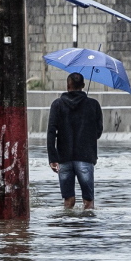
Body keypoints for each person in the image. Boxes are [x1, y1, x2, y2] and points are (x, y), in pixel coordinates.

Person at [47, 72, 103, 209]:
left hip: (64, 158)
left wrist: (52, 158)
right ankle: (86, 227)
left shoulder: (57, 105)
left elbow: (51, 132)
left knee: (68, 201)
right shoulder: (93, 105)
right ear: (83, 86)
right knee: (88, 202)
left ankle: (67, 228)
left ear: (67, 86)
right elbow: (98, 132)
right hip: (85, 157)